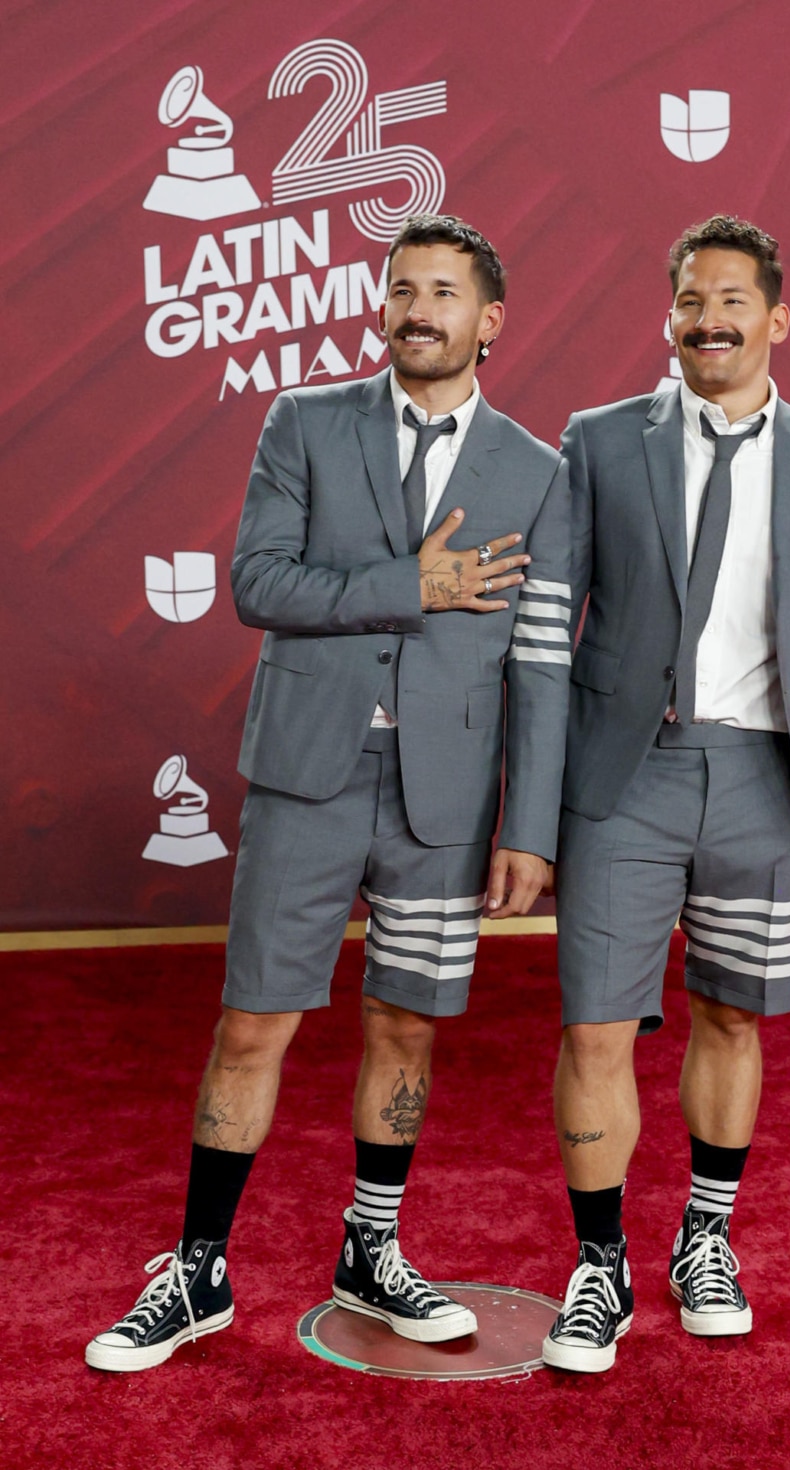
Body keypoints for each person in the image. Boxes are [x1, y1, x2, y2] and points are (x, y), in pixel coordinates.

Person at [86, 214, 571, 1372]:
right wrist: (414, 582)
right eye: (401, 287)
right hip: (307, 776)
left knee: (406, 1025)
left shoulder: (539, 473)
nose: (417, 308)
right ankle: (198, 1268)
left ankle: (371, 1247)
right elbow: (257, 581)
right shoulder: (302, 421)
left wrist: (532, 826)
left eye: (443, 292)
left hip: (444, 803)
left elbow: (543, 666)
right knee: (252, 1022)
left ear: (488, 320)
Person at [542, 214, 790, 1373]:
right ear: (669, 316)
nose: (709, 318)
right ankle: (597, 1266)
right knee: (595, 1026)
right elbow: (548, 630)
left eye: (731, 300)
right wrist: (543, 796)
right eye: (690, 300)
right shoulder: (598, 442)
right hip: (623, 779)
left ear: (775, 318)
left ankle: (703, 1239)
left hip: (771, 783)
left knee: (732, 1014)